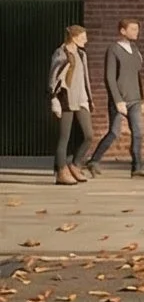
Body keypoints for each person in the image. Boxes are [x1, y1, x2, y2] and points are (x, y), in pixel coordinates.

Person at [87, 18, 144, 178]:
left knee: (138, 133)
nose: (136, 32)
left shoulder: (135, 49)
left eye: (137, 29)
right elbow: (109, 77)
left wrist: (142, 98)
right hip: (120, 99)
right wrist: (117, 100)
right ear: (123, 31)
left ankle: (137, 167)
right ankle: (94, 161)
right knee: (114, 132)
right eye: (133, 29)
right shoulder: (113, 50)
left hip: (135, 98)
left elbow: (137, 75)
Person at [48, 25, 93, 186]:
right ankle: (61, 171)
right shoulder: (61, 53)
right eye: (83, 37)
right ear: (74, 38)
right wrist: (54, 99)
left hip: (81, 99)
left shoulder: (81, 54)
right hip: (66, 99)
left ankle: (75, 165)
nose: (86, 40)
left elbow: (84, 78)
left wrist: (88, 98)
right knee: (64, 137)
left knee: (89, 135)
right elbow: (53, 77)